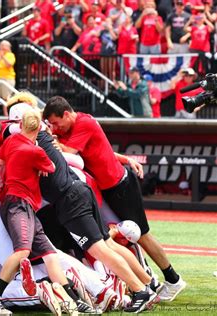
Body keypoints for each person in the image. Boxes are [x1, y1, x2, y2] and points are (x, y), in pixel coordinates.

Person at [43, 96, 187, 303]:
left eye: (57, 123)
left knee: (140, 235)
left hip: (119, 187)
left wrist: (47, 138)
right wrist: (127, 158)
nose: (56, 128)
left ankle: (172, 280)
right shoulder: (77, 124)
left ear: (66, 114)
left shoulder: (84, 123)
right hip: (108, 188)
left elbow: (67, 152)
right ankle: (149, 282)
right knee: (113, 240)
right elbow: (103, 150)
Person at [0, 110, 80, 315]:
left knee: (50, 253)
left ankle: (73, 299)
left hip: (16, 203)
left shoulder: (11, 141)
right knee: (23, 252)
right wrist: (37, 163)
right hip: (19, 203)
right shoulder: (36, 151)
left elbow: (0, 161)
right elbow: (52, 167)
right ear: (38, 129)